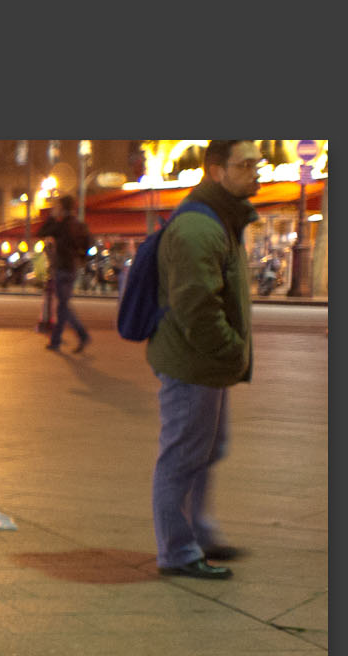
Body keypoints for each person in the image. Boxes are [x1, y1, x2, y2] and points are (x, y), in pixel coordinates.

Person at [148, 139, 261, 581]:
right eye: (245, 164)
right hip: (194, 362)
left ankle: (199, 531)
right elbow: (197, 306)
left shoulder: (223, 219)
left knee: (209, 448)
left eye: (258, 163)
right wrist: (232, 348)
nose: (256, 171)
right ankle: (177, 551)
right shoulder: (200, 227)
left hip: (206, 362)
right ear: (217, 171)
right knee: (182, 456)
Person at [36, 195, 93, 352]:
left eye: (58, 206)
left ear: (62, 207)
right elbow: (88, 243)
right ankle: (56, 341)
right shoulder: (79, 225)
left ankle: (81, 334)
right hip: (73, 268)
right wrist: (81, 258)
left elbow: (41, 232)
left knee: (63, 307)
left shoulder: (61, 226)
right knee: (63, 306)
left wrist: (52, 217)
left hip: (62, 269)